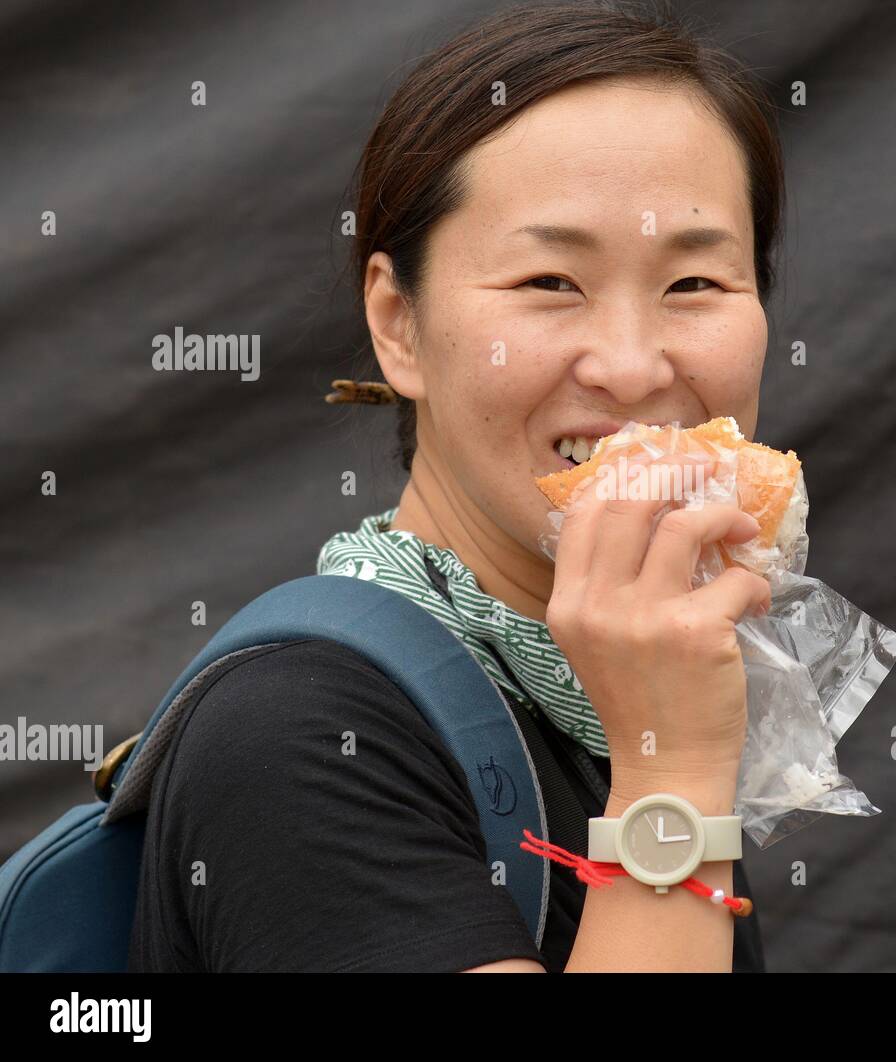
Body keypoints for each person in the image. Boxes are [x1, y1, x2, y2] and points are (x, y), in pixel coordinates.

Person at [128, 0, 785, 973]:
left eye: (694, 286)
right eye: (549, 282)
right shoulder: (298, 734)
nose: (634, 367)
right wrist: (674, 776)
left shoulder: (608, 688)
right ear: (399, 325)